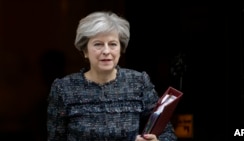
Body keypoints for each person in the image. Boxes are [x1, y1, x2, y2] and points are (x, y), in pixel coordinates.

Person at [47, 11, 177, 141]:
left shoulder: (138, 82)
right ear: (85, 50)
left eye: (113, 44)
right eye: (98, 44)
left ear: (121, 48)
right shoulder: (64, 88)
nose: (106, 51)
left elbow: (167, 133)